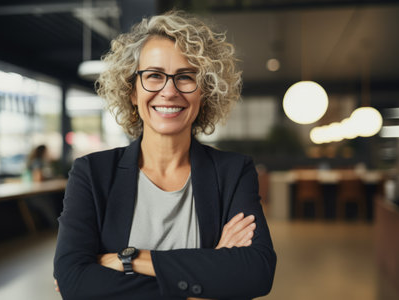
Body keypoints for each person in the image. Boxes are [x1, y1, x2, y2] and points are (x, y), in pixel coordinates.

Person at [54, 10, 276, 299]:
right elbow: (75, 282)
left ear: (204, 92)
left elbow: (255, 273)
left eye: (185, 77)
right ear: (132, 90)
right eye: (154, 76)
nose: (169, 92)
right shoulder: (92, 173)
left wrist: (129, 259)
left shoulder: (234, 172)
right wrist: (205, 279)